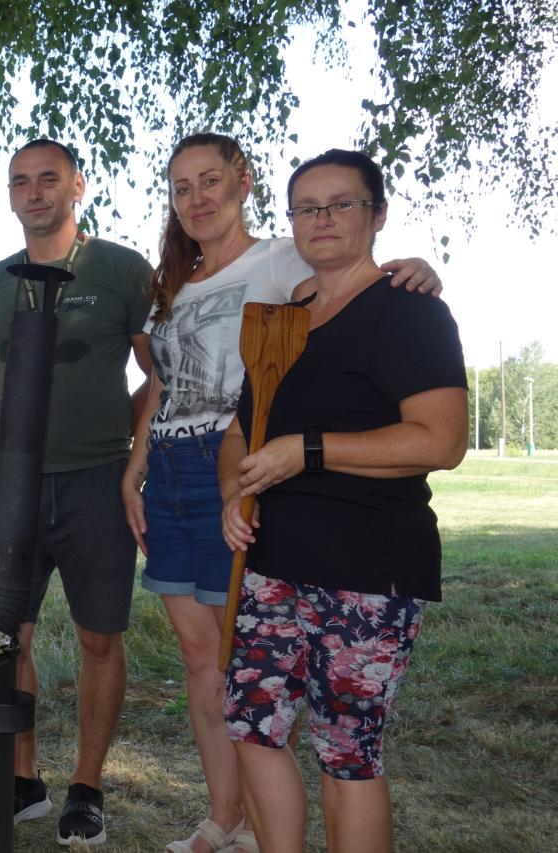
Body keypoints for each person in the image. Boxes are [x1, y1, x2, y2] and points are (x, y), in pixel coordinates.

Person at [122, 133, 441, 853]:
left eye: (210, 181)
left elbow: (354, 276)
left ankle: (249, 821)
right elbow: (165, 385)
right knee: (214, 671)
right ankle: (227, 815)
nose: (196, 198)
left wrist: (417, 269)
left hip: (266, 478)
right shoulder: (175, 282)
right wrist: (135, 468)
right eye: (181, 187)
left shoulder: (285, 259)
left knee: (270, 686)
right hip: (188, 468)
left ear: (243, 183)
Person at [218, 149, 467, 852]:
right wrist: (234, 493)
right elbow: (240, 431)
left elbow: (442, 439)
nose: (322, 219)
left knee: (346, 750)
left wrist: (308, 450)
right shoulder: (280, 319)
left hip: (367, 568)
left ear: (377, 215)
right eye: (306, 207)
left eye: (341, 204)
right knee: (252, 727)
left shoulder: (410, 311)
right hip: (271, 561)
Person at [0, 138, 155, 847]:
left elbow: (157, 374)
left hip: (96, 480)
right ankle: (24, 778)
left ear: (77, 186)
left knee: (98, 635)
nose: (34, 192)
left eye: (49, 179)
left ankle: (87, 785)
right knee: (4, 634)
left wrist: (123, 445)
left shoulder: (122, 270)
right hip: (9, 482)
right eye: (21, 181)